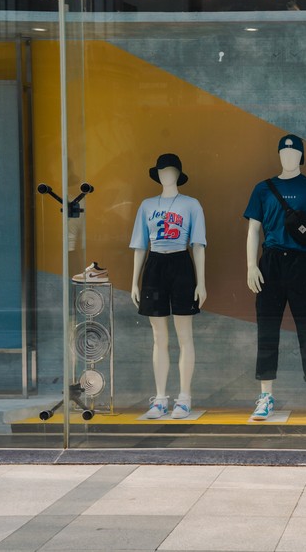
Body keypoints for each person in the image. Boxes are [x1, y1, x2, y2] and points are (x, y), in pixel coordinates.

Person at [243, 134, 306, 423]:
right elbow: (253, 231)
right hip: (270, 263)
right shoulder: (262, 189)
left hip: (303, 264)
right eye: (284, 152)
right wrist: (250, 265)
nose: (288, 156)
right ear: (279, 155)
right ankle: (266, 396)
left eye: (294, 152)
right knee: (267, 331)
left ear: (301, 156)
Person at [129, 153, 207, 419]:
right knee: (158, 337)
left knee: (185, 335)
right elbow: (140, 245)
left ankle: (184, 397)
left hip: (181, 263)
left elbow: (198, 245)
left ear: (178, 174)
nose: (166, 175)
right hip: (155, 265)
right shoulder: (147, 205)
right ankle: (160, 397)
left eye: (171, 170)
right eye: (162, 171)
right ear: (157, 174)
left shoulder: (191, 204)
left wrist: (202, 283)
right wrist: (134, 281)